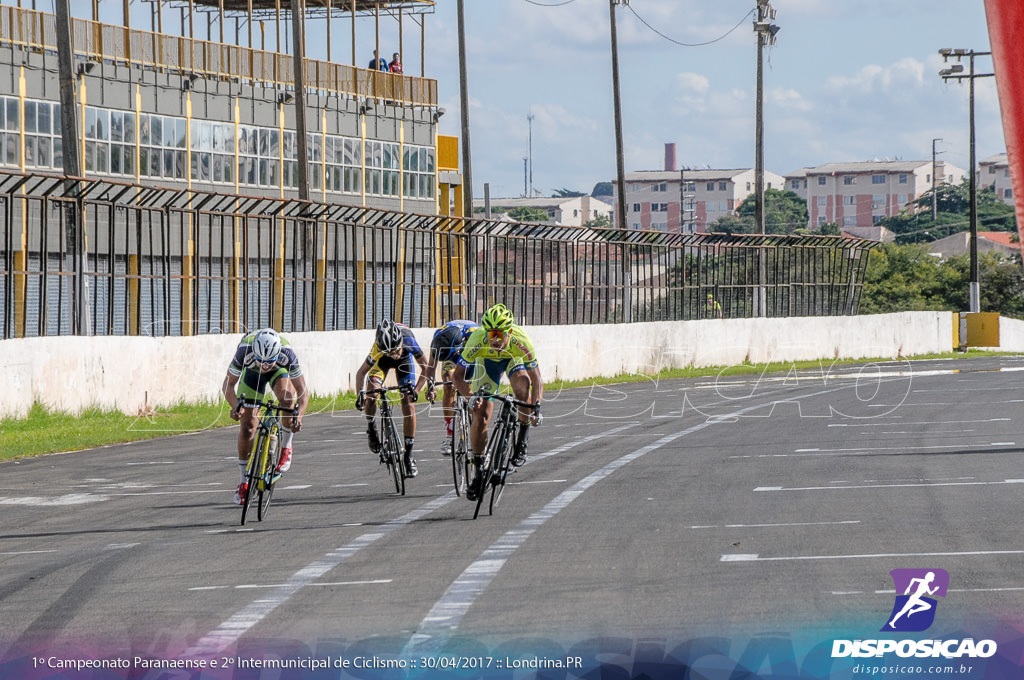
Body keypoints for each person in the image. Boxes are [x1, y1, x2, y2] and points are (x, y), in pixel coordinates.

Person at [453, 304, 543, 500]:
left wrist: (536, 406)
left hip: (512, 359)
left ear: (509, 332)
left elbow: (537, 379)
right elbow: (457, 377)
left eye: (500, 335)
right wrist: (470, 396)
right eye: (491, 333)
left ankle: (522, 437)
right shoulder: (477, 340)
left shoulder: (521, 341)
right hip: (487, 366)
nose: (494, 339)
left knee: (522, 388)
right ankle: (479, 472)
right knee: (480, 417)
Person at [222, 328, 308, 505]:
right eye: (262, 361)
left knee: (286, 400)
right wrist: (235, 406)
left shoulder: (287, 353)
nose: (265, 366)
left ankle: (286, 447)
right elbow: (228, 385)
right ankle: (244, 481)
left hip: (279, 372)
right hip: (252, 375)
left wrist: (298, 417)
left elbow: (303, 392)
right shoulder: (244, 351)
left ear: (277, 354)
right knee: (248, 428)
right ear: (255, 353)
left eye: (269, 361)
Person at [354, 319, 430, 478]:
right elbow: (361, 373)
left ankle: (408, 455)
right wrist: (360, 395)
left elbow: (426, 367)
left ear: (400, 342)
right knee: (372, 393)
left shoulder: (408, 339)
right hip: (381, 362)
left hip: (406, 361)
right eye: (391, 352)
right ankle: (371, 426)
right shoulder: (378, 348)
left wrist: (417, 389)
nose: (394, 355)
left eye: (396, 350)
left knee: (408, 403)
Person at [423, 319, 480, 454]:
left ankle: (476, 435)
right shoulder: (439, 340)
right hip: (452, 350)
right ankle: (450, 435)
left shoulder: (475, 335)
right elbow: (431, 367)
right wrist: (431, 386)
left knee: (474, 394)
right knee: (449, 381)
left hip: (471, 352)